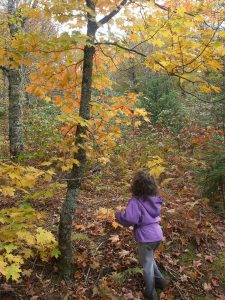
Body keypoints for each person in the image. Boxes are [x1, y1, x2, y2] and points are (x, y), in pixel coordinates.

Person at [115, 170, 166, 300]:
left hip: (146, 237)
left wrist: (119, 216)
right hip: (157, 234)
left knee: (147, 264)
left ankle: (150, 293)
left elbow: (130, 219)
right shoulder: (154, 201)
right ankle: (160, 281)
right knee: (150, 259)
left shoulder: (136, 201)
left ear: (136, 186)